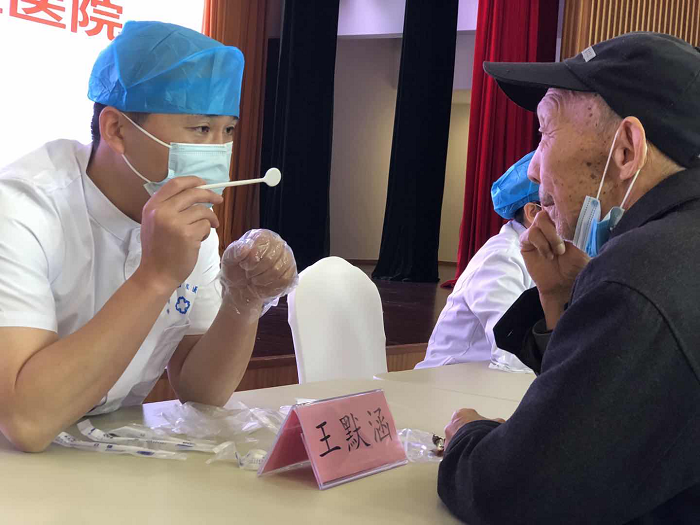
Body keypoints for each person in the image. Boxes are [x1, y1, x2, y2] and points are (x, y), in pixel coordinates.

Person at [438, 32, 700, 523]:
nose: (533, 170)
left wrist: (468, 436)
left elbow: (514, 495)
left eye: (545, 133)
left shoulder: (640, 274)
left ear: (626, 150)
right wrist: (563, 299)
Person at [0, 21, 298, 453]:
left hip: (90, 453)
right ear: (116, 129)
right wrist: (155, 277)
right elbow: (26, 421)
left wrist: (243, 302)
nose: (219, 150)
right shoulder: (22, 207)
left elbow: (202, 392)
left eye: (228, 131)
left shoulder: (187, 216)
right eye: (201, 129)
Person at [415, 152, 537, 372]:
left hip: (491, 382)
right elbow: (516, 355)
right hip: (450, 383)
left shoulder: (548, 256)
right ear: (533, 212)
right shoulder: (502, 259)